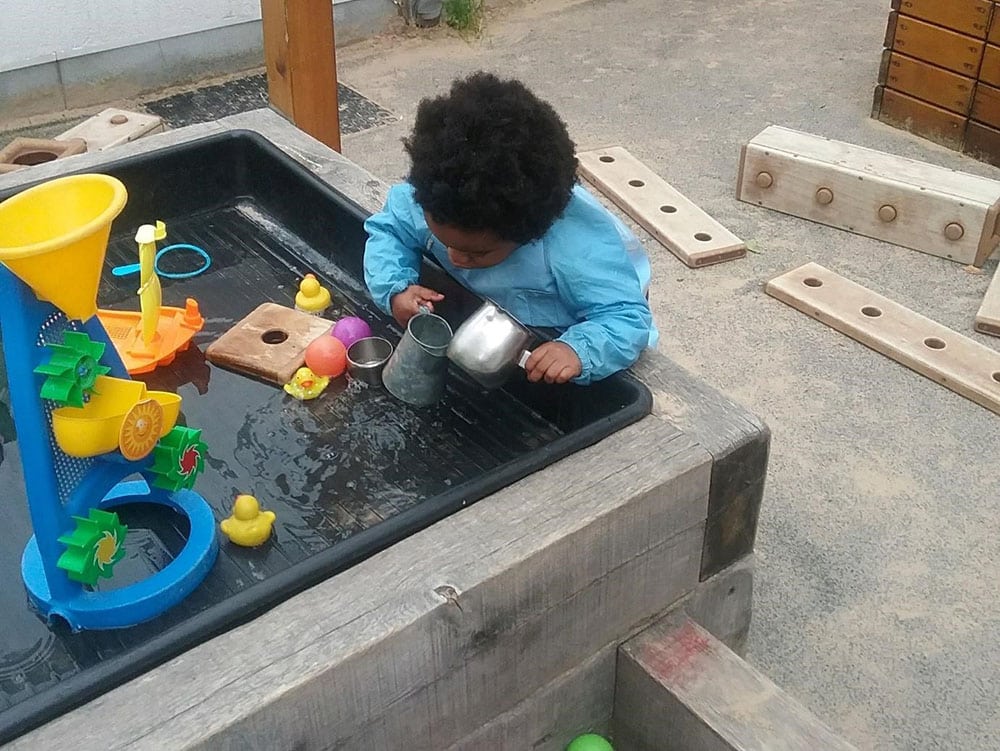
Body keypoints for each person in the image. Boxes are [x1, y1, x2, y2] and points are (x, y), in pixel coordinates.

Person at [363, 71, 657, 385]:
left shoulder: (570, 250)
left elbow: (626, 318)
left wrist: (578, 349)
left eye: (476, 253)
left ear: (527, 233)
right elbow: (391, 230)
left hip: (603, 290)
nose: (456, 257)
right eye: (442, 240)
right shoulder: (437, 198)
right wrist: (395, 288)